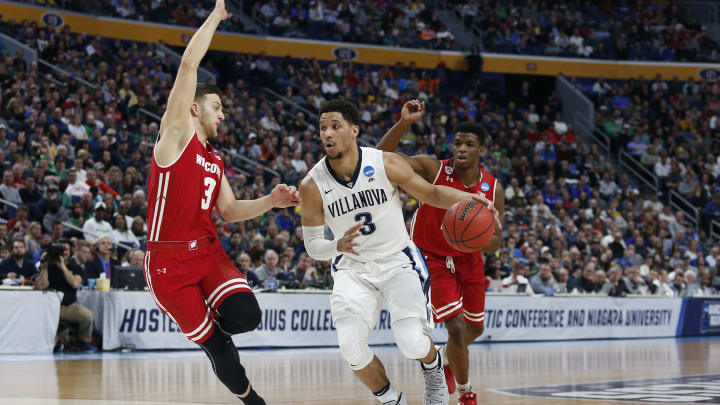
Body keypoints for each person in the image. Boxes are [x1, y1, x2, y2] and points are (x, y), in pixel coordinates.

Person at [143, 2, 299, 403]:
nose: (224, 115)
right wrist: (217, 15)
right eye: (218, 107)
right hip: (167, 262)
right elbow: (188, 67)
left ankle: (214, 330)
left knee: (247, 315)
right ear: (194, 108)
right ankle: (253, 400)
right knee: (218, 348)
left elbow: (229, 211)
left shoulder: (214, 159)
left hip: (207, 253)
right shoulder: (176, 137)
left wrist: (270, 201)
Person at [300, 99, 488, 405]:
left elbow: (433, 193)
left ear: (353, 131)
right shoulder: (311, 184)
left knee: (411, 341)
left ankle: (433, 366)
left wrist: (471, 200)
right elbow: (312, 245)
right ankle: (391, 400)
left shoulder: (384, 163)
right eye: (323, 128)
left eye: (335, 126)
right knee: (350, 347)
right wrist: (336, 245)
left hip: (398, 261)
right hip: (352, 268)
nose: (327, 134)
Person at [376, 100, 503, 404]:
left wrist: (476, 237)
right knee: (456, 328)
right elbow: (381, 157)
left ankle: (446, 358)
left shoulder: (493, 187)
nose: (461, 148)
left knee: (475, 328)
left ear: (480, 151)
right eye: (457, 142)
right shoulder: (433, 168)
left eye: (469, 144)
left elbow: (496, 242)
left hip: (468, 258)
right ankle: (466, 392)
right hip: (430, 256)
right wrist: (404, 122)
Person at [36, 240, 98, 352]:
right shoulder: (48, 266)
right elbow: (41, 286)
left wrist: (63, 267)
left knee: (87, 315)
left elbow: (74, 284)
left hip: (69, 305)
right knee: (52, 346)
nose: (63, 252)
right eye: (60, 250)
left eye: (66, 249)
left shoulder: (76, 267)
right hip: (50, 306)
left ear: (71, 251)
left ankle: (83, 342)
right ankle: (59, 342)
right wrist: (44, 266)